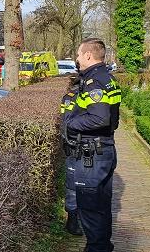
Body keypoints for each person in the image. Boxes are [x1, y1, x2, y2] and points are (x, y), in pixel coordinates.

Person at [65, 38, 121, 252]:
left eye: (79, 55)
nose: (77, 59)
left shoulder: (94, 81)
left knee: (90, 208)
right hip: (104, 149)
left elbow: (99, 118)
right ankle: (104, 247)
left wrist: (70, 123)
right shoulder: (108, 78)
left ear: (88, 55)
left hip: (91, 155)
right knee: (101, 206)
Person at [60, 77, 83, 236]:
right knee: (76, 184)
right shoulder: (78, 98)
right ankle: (73, 221)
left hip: (70, 144)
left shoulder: (67, 97)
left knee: (72, 183)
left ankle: (73, 220)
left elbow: (64, 121)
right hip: (78, 144)